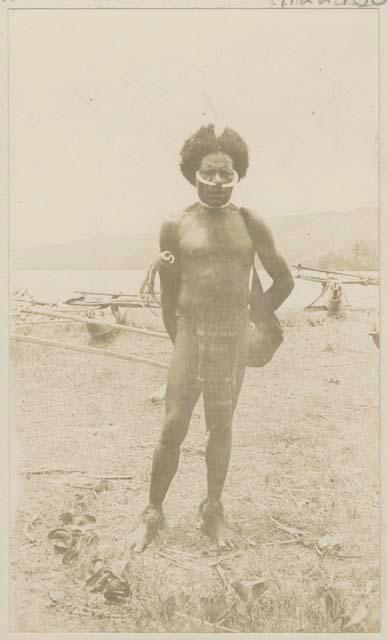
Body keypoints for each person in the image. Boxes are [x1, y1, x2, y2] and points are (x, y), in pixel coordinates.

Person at [129, 125, 294, 552]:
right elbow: (169, 295)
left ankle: (212, 511)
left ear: (237, 175)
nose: (218, 182)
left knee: (221, 426)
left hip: (231, 339)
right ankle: (152, 514)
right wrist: (181, 342)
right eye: (209, 173)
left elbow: (283, 280)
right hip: (188, 335)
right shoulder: (174, 225)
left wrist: (252, 322)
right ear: (192, 173)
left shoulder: (249, 222)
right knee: (172, 425)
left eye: (227, 174)